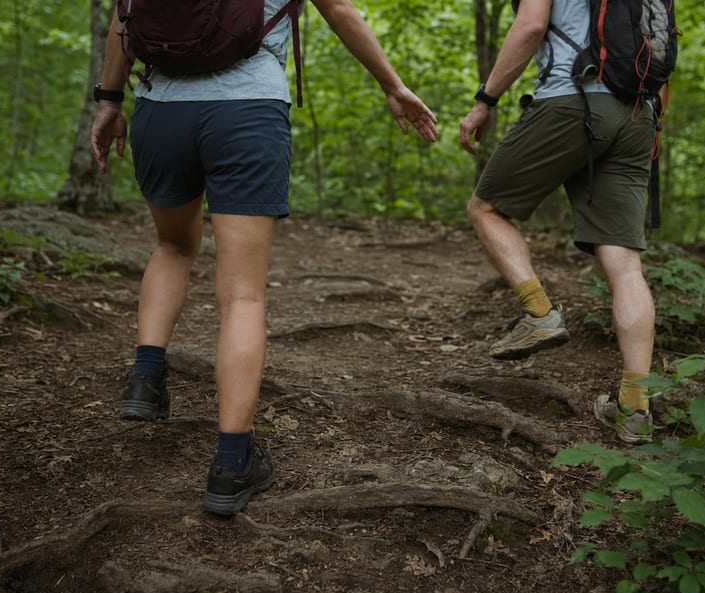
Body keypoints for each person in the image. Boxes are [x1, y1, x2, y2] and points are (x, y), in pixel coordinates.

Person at [91, 0, 439, 515]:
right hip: (247, 110)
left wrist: (109, 103)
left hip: (159, 111)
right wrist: (393, 85)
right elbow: (341, 10)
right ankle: (231, 465)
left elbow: (123, 20)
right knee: (243, 295)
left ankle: (145, 378)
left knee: (170, 246)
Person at [458, 0, 656, 443]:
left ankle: (539, 312)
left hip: (574, 97)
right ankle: (636, 409)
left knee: (486, 208)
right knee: (625, 266)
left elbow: (530, 26)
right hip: (639, 112)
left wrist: (484, 101)